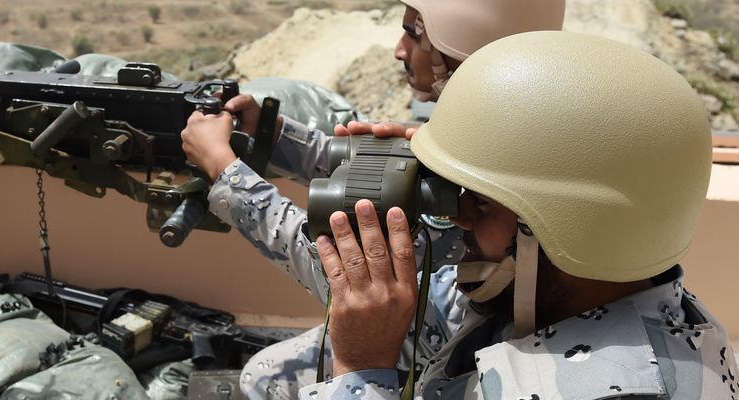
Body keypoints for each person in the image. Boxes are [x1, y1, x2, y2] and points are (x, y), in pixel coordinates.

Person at [301, 30, 736, 399]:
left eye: (481, 202)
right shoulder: (607, 289)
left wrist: (359, 370)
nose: (461, 217)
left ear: (566, 227)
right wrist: (443, 162)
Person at [180, 1, 565, 397]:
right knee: (268, 370)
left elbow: (353, 277)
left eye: (414, 34)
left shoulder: (497, 182)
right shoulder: (523, 129)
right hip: (466, 312)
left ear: (453, 54)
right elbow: (365, 177)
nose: (399, 50)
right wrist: (275, 136)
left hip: (472, 337)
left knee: (265, 378)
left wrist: (226, 174)